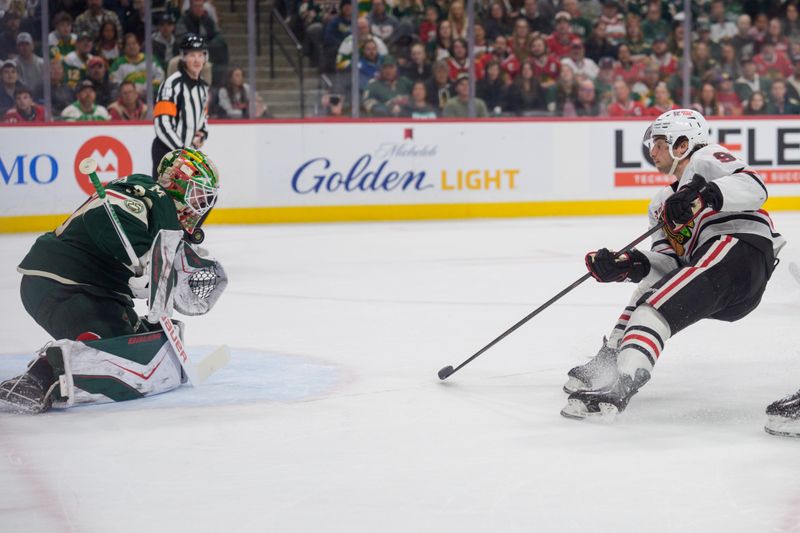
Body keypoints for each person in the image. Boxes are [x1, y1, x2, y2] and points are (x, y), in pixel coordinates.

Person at [561, 109, 785, 420]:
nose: (651, 151)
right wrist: (626, 264)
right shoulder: (661, 203)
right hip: (724, 280)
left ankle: (623, 382)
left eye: (659, 142)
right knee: (648, 290)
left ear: (682, 143)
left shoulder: (705, 159)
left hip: (740, 251)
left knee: (651, 308)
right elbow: (668, 263)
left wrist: (700, 197)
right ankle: (611, 360)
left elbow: (755, 187)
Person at [1, 148, 222, 414]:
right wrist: (142, 258)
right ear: (176, 183)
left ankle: (115, 333)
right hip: (58, 282)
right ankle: (38, 377)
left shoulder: (162, 214)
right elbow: (102, 219)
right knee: (105, 347)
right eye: (197, 195)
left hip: (97, 291)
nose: (201, 205)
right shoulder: (141, 194)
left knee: (136, 342)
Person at [152, 33, 210, 178]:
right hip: (168, 154)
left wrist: (202, 134)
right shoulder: (171, 84)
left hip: (188, 156)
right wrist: (182, 152)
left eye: (200, 55)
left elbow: (203, 117)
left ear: (205, 57)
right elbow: (162, 124)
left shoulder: (203, 87)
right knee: (164, 198)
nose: (197, 60)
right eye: (192, 55)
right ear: (183, 57)